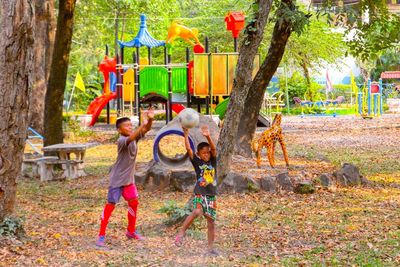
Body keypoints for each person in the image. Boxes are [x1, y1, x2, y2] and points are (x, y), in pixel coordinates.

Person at [96, 109, 154, 247]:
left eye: (130, 125)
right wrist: (141, 124)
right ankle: (101, 235)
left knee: (134, 203)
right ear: (119, 130)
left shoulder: (134, 137)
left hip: (129, 180)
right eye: (126, 126)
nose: (129, 127)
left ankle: (131, 232)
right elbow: (132, 137)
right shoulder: (122, 140)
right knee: (110, 206)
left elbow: (146, 129)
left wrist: (150, 119)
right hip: (117, 180)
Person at [174, 125, 218, 255]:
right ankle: (181, 232)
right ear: (199, 154)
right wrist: (186, 134)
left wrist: (208, 136)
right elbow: (188, 149)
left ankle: (210, 248)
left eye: (208, 152)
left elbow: (214, 148)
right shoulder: (197, 163)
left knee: (211, 222)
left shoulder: (213, 161)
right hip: (200, 191)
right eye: (204, 153)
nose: (207, 155)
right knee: (197, 211)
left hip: (211, 194)